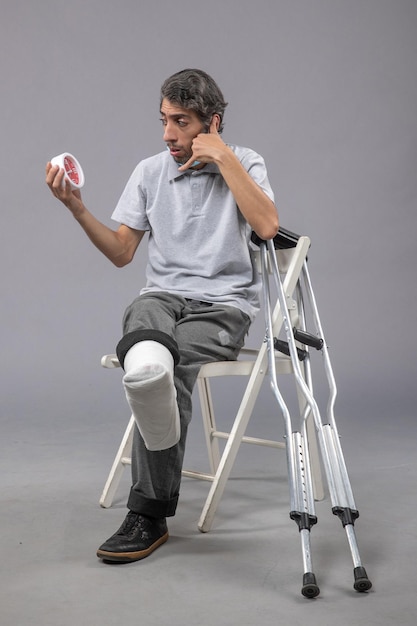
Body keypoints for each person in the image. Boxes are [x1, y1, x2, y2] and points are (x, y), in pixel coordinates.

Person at [46, 68, 279, 563]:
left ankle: (148, 514)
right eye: (164, 120)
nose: (168, 134)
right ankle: (152, 497)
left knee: (162, 372)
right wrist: (76, 208)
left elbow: (267, 225)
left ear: (210, 123)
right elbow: (122, 253)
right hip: (161, 300)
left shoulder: (248, 162)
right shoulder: (150, 171)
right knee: (149, 353)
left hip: (223, 308)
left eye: (182, 121)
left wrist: (224, 158)